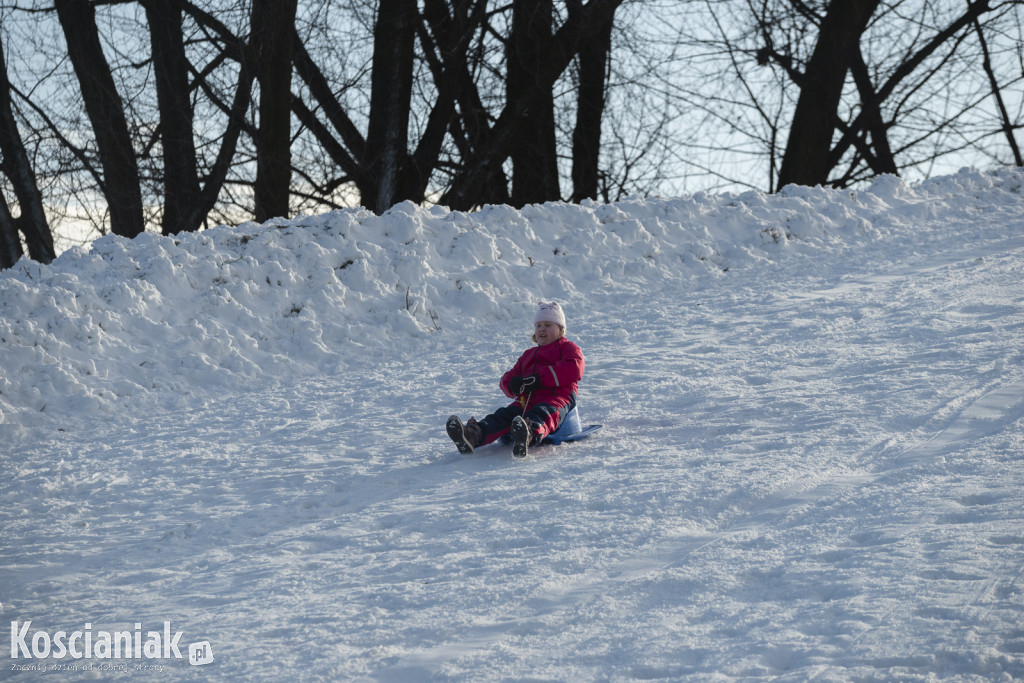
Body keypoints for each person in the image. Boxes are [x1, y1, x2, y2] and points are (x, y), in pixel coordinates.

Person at [447, 302, 585, 457]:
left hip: (557, 397)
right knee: (503, 415)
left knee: (543, 413)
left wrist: (540, 379)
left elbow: (574, 368)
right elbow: (509, 376)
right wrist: (512, 384)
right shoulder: (528, 355)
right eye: (538, 326)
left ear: (560, 329)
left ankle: (527, 434)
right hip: (527, 400)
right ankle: (472, 434)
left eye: (548, 325)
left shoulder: (567, 348)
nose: (542, 329)